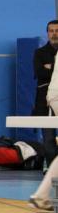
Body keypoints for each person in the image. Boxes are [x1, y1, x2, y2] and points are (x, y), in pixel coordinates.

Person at [33, 20, 58, 168]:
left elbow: (47, 72)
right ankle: (52, 171)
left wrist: (51, 67)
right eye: (51, 31)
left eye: (57, 31)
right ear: (47, 33)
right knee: (48, 140)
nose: (54, 34)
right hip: (44, 102)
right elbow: (40, 73)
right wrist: (55, 69)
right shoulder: (39, 53)